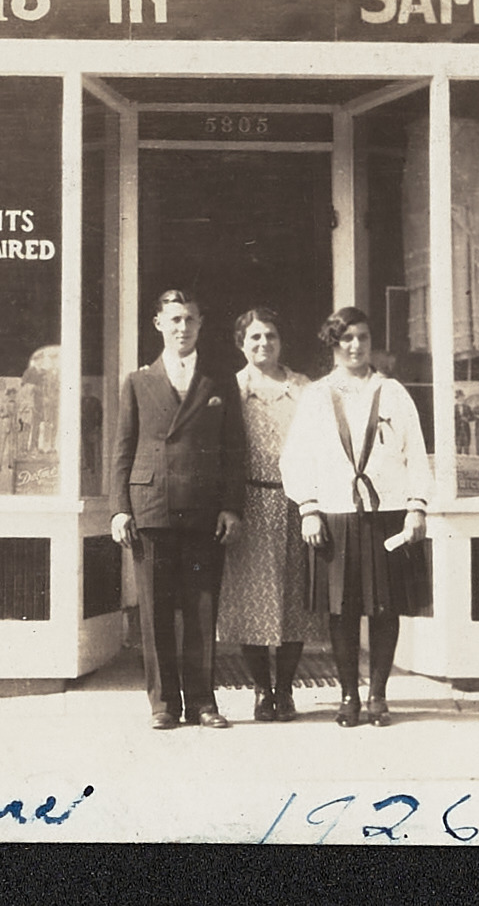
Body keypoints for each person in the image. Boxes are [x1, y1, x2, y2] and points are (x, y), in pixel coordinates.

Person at [281, 306, 434, 728]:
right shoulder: (316, 396)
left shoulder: (394, 393)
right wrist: (309, 509)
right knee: (342, 610)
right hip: (334, 513)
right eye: (346, 338)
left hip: (387, 513)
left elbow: (415, 454)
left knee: (385, 609)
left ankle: (378, 696)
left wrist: (417, 506)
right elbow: (296, 458)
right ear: (333, 343)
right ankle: (348, 695)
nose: (355, 346)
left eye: (362, 338)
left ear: (371, 343)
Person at [110, 290, 247, 730]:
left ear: (201, 324)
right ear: (158, 324)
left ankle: (203, 702)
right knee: (155, 611)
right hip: (152, 506)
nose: (182, 328)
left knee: (202, 608)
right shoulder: (138, 381)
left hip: (204, 508)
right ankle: (163, 703)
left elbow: (234, 449)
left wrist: (231, 507)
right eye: (174, 320)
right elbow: (123, 449)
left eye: (189, 319)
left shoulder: (219, 379)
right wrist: (119, 509)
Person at [217, 308, 328, 722]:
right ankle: (261, 689)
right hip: (249, 502)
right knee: (251, 600)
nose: (264, 344)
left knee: (295, 600)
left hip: (298, 503)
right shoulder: (231, 388)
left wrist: (314, 502)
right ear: (241, 343)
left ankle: (286, 689)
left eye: (271, 336)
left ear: (282, 341)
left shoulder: (303, 388)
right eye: (255, 338)